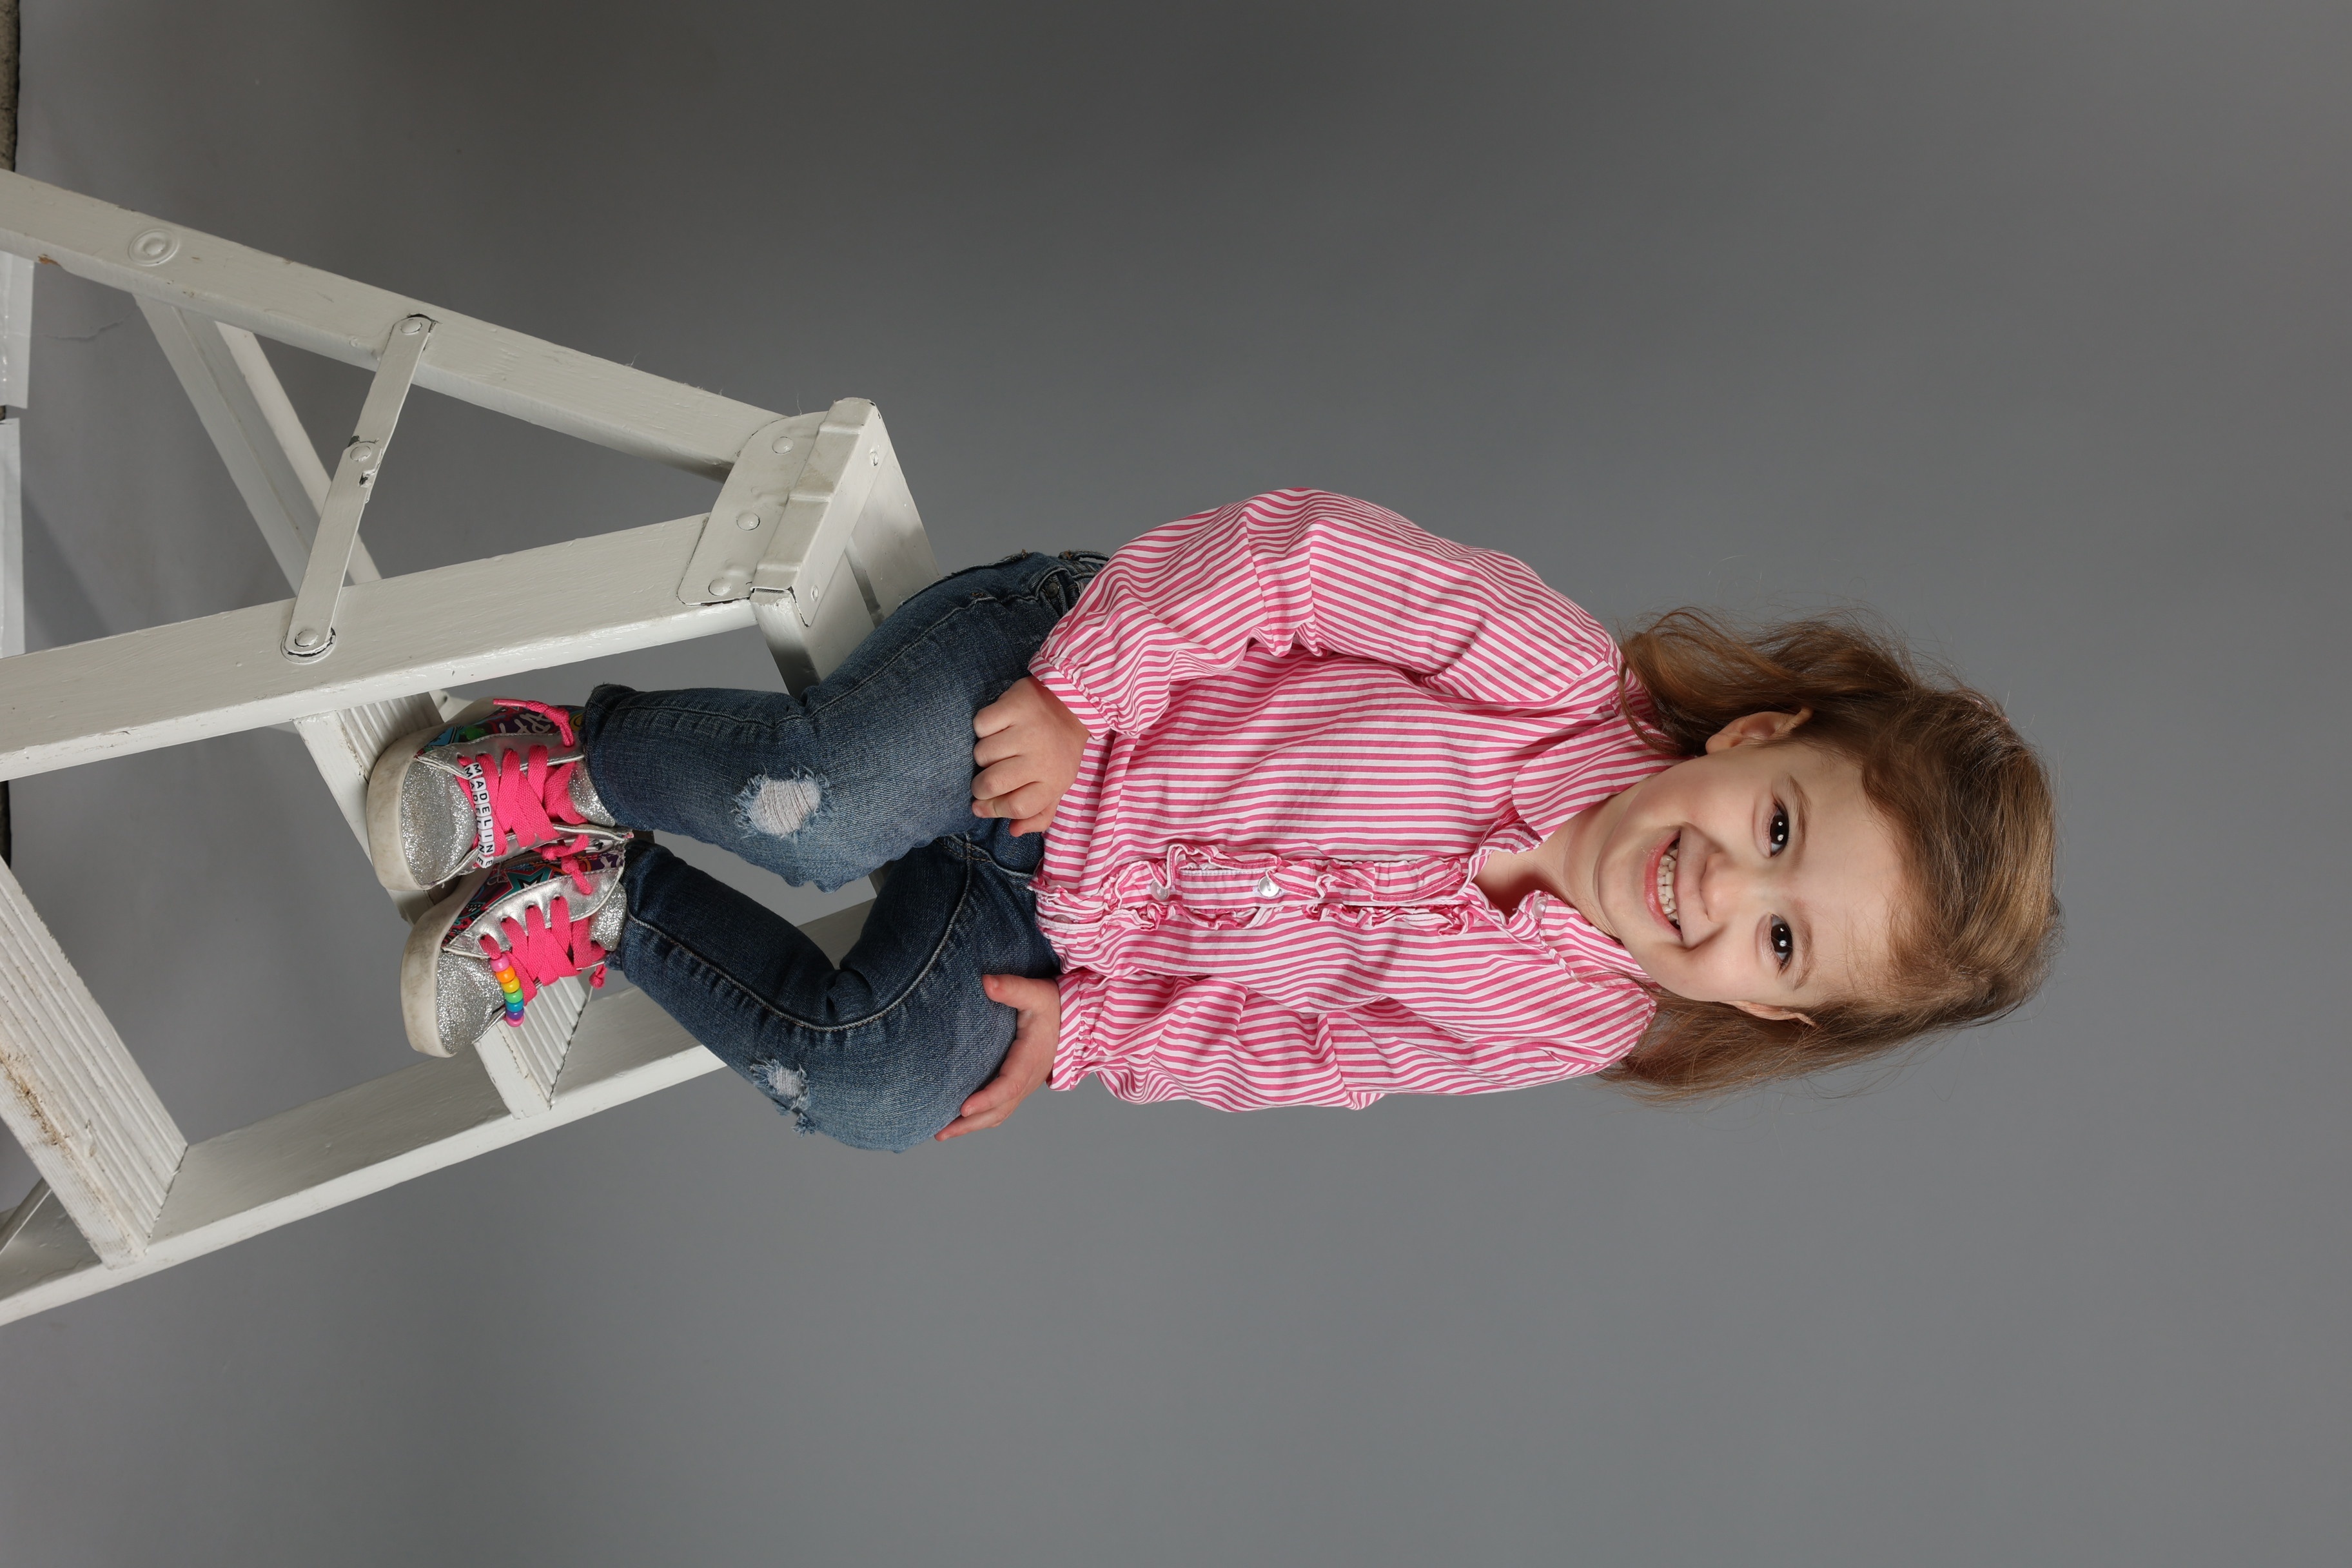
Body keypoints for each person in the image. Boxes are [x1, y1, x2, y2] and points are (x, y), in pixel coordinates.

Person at [360, 490, 2060, 1151]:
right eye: (1780, 827)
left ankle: (609, 903)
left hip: (1054, 923)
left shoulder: (1563, 1022)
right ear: (1758, 738)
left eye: (1784, 938)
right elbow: (1296, 557)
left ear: (1773, 1007)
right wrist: (1088, 685)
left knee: (877, 1088)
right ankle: (573, 764)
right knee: (824, 811)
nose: (1724, 888)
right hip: (1059, 693)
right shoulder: (1550, 674)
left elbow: (1314, 1054)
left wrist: (1097, 1036)